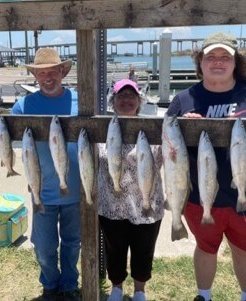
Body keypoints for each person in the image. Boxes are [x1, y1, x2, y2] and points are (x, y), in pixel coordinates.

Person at [166, 32, 246, 301]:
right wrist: (186, 126)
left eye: (225, 57)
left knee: (245, 250)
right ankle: (204, 295)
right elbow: (168, 146)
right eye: (211, 56)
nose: (218, 62)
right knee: (205, 247)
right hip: (200, 195)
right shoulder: (184, 99)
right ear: (200, 62)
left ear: (237, 62)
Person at [0, 48, 81, 301]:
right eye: (41, 73)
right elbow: (3, 143)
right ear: (35, 76)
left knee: (72, 244)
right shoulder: (24, 106)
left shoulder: (81, 100)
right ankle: (50, 285)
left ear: (62, 72)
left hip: (77, 189)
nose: (47, 78)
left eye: (52, 72)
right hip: (41, 191)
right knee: (44, 247)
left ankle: (69, 286)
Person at [98, 79, 164, 301]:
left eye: (131, 96)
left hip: (147, 205)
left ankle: (139, 291)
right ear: (113, 101)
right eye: (120, 96)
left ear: (139, 101)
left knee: (144, 250)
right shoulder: (102, 129)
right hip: (111, 204)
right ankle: (116, 288)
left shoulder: (152, 130)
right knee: (114, 250)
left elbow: (166, 158)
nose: (126, 100)